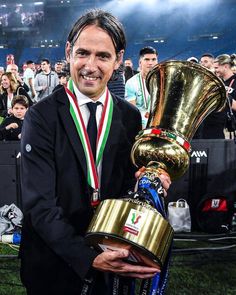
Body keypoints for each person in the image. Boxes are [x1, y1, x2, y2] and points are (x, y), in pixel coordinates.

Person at [19, 9, 170, 295]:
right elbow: (40, 206)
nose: (90, 65)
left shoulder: (128, 116)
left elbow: (126, 189)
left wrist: (147, 185)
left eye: (102, 56)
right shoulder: (40, 117)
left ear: (118, 59)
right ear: (68, 52)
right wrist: (88, 257)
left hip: (111, 260)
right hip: (53, 264)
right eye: (83, 53)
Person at [125, 46, 158, 128]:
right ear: (140, 62)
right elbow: (132, 112)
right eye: (147, 59)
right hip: (139, 126)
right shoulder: (131, 83)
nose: (150, 63)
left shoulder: (163, 81)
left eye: (153, 59)